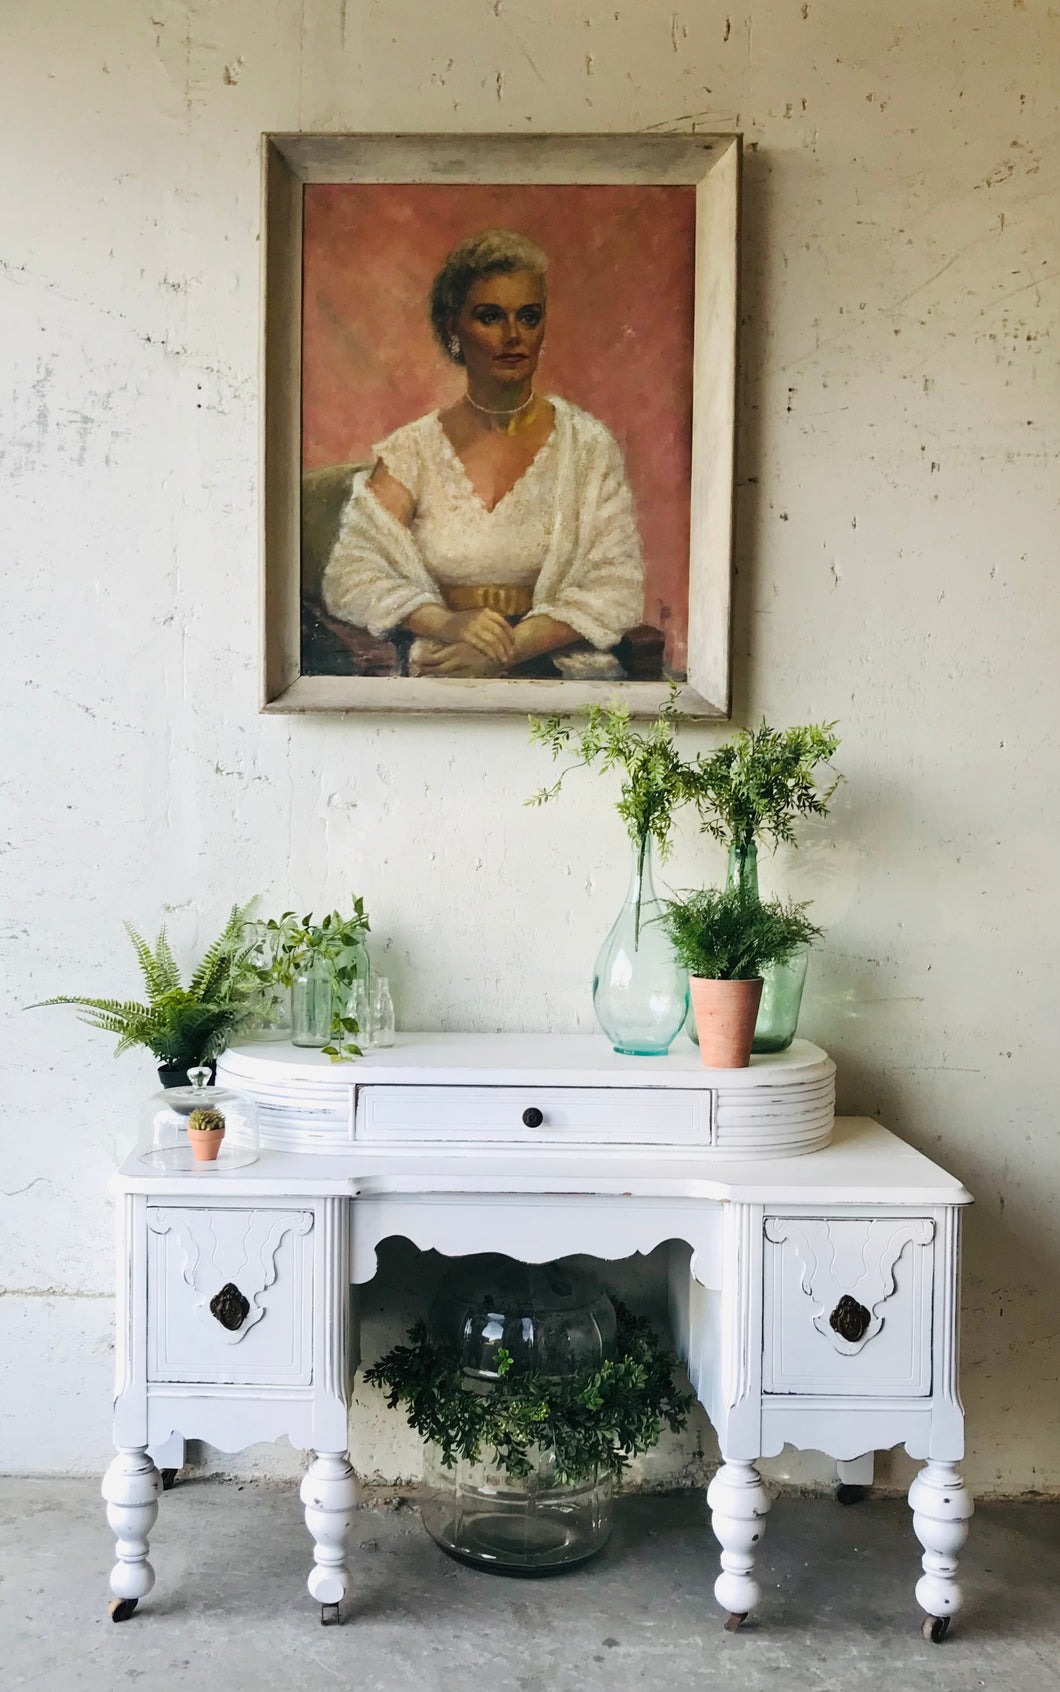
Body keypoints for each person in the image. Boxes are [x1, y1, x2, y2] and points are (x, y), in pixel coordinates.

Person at [321, 229, 645, 679]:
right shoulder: (413, 451)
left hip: (556, 668)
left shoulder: (588, 447)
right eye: (490, 317)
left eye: (529, 317)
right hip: (440, 663)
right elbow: (349, 574)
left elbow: (617, 587)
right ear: (454, 327)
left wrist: (506, 650)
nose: (513, 336)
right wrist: (448, 623)